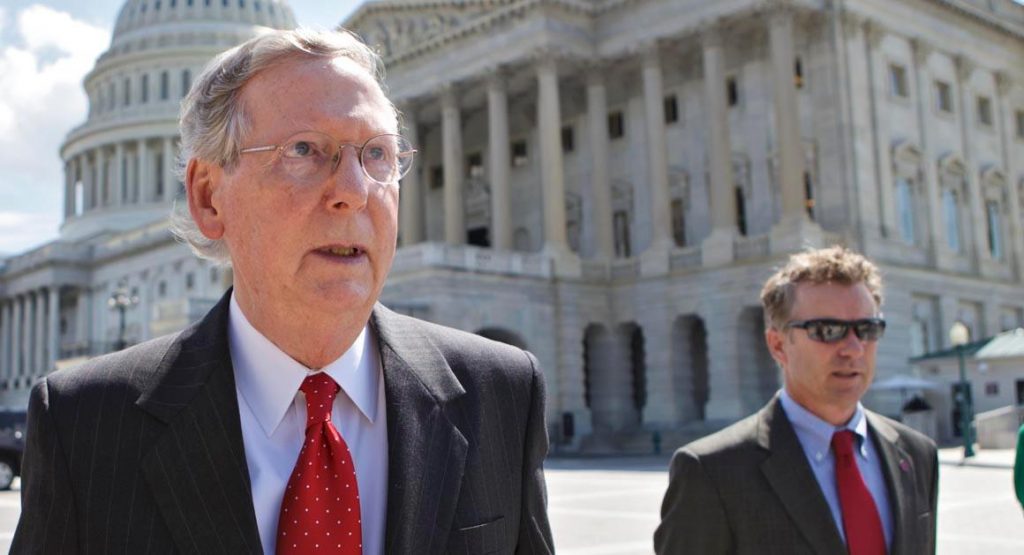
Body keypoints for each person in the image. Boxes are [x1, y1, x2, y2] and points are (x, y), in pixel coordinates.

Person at [13, 29, 554, 555]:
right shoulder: (85, 426)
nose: (353, 192)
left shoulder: (502, 395)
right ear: (208, 197)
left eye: (377, 155)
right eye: (305, 150)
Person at [655, 246, 938, 554]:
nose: (854, 349)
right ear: (778, 345)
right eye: (828, 330)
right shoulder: (711, 473)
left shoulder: (917, 455)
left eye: (867, 329)